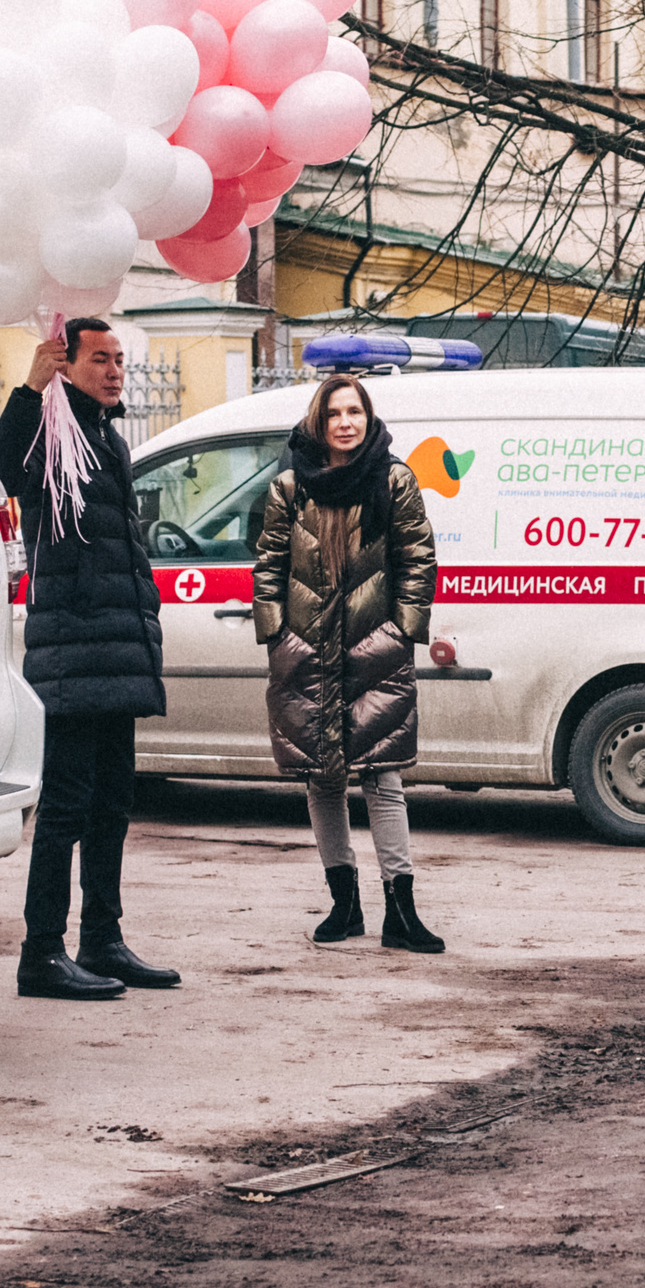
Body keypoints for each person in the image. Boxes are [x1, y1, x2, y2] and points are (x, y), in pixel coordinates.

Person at [0, 318, 179, 1001]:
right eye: (101, 358)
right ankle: (41, 952)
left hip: (119, 649)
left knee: (112, 805)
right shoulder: (50, 432)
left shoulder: (109, 438)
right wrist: (29, 389)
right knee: (65, 807)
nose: (116, 369)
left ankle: (103, 937)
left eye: (120, 358)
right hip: (72, 653)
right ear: (67, 365)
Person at [251, 372, 444, 954]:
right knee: (321, 779)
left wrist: (403, 631)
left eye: (354, 412)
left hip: (374, 650)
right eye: (334, 412)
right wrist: (277, 636)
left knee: (383, 776)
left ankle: (400, 911)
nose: (345, 422)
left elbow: (418, 559)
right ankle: (345, 904)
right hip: (306, 651)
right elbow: (268, 567)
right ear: (320, 419)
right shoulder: (290, 486)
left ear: (367, 417)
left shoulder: (393, 478)